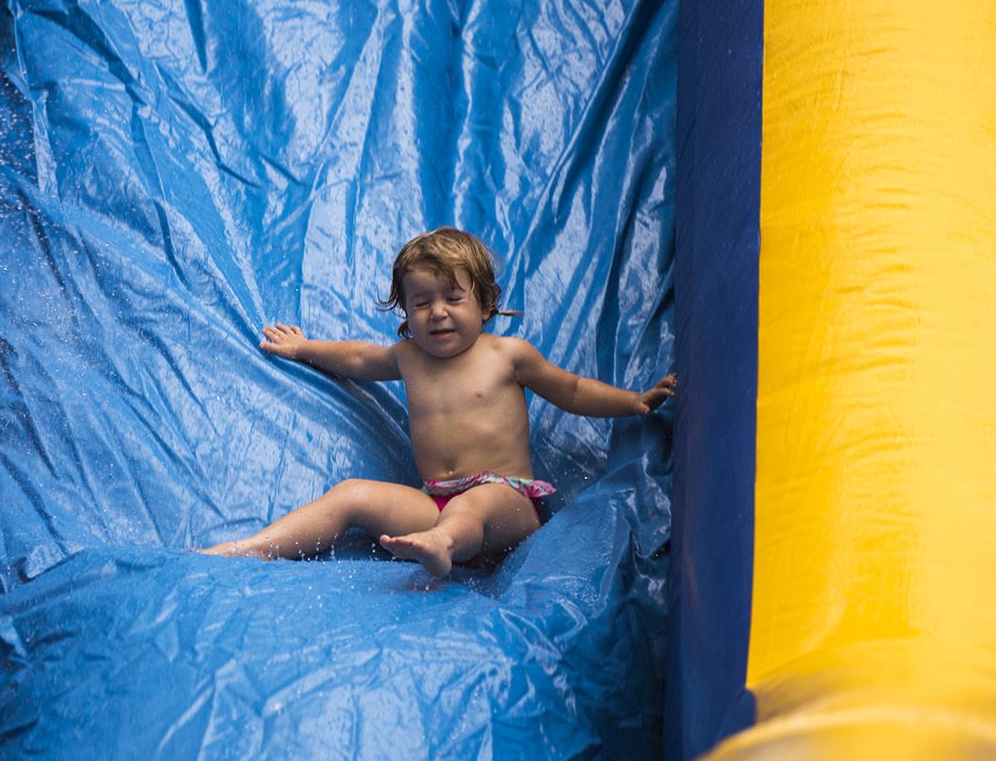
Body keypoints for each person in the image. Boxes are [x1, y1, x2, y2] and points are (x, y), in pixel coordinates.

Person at [200, 227, 676, 577]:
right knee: (351, 494)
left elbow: (571, 389)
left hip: (505, 505)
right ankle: (255, 549)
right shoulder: (409, 357)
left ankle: (441, 546)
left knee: (473, 504)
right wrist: (303, 347)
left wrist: (633, 401)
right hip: (436, 506)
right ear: (406, 312)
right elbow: (358, 358)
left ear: (484, 305)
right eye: (422, 302)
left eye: (453, 297)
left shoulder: (507, 354)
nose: (438, 312)